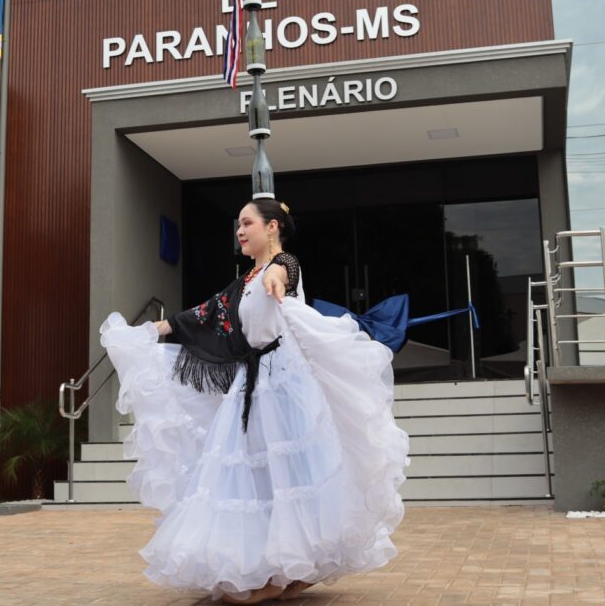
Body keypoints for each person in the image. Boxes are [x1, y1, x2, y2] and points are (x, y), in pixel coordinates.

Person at [100, 197, 409, 604]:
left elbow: (284, 274)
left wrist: (276, 280)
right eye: (238, 226)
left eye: (248, 223)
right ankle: (284, 569)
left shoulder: (285, 265)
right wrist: (146, 333)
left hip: (283, 382)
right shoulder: (245, 280)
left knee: (288, 474)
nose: (240, 231)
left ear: (273, 227)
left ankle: (282, 574)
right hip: (253, 381)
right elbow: (203, 315)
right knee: (258, 476)